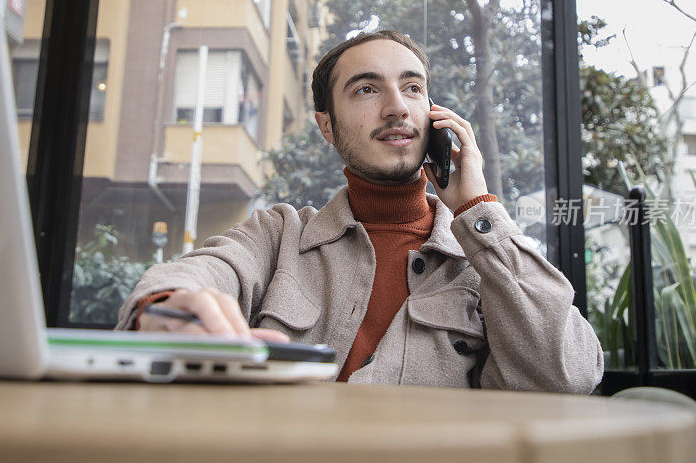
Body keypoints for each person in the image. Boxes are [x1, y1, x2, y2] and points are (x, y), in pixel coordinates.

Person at [117, 30, 604, 392]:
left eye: (413, 88)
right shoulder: (279, 234)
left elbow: (569, 375)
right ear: (326, 126)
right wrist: (165, 307)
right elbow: (203, 272)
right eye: (367, 89)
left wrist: (478, 209)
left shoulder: (484, 262)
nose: (397, 107)